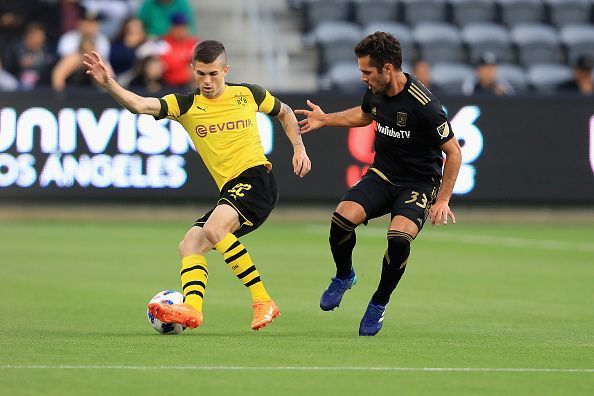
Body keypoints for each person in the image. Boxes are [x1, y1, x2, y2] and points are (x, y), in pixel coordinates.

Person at [83, 40, 312, 331]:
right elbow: (140, 105)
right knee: (190, 243)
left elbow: (285, 112)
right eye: (201, 73)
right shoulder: (187, 105)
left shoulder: (248, 94)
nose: (207, 81)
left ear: (225, 70)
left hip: (256, 179)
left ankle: (262, 300)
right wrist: (108, 83)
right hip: (231, 190)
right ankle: (192, 308)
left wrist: (299, 148)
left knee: (213, 229)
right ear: (192, 70)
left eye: (213, 74)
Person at [295, 32, 461, 336]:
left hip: (418, 184)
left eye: (367, 72)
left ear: (387, 69)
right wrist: (325, 119)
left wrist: (443, 199)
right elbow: (364, 114)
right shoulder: (375, 91)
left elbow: (453, 152)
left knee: (399, 238)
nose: (363, 78)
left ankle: (379, 302)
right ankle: (344, 275)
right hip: (383, 174)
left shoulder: (425, 105)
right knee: (341, 220)